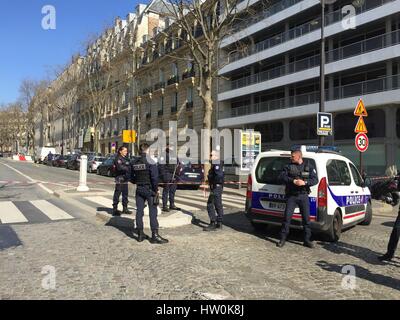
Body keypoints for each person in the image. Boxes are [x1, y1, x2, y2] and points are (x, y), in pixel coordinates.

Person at [277, 149, 318, 248]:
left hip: (303, 195)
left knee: (306, 219)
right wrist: (293, 181)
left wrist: (305, 183)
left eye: (293, 156)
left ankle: (307, 240)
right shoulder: (288, 166)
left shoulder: (308, 167)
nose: (291, 158)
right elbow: (281, 177)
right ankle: (282, 239)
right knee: (287, 218)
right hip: (292, 195)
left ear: (299, 157)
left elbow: (315, 179)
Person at [131, 143, 168, 244]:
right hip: (150, 189)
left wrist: (137, 182)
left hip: (139, 189)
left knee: (139, 211)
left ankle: (140, 234)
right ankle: (154, 236)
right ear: (147, 150)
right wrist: (156, 189)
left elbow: (130, 176)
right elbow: (154, 177)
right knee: (153, 212)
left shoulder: (134, 162)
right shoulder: (150, 161)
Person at [203, 150, 224, 231]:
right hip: (217, 187)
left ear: (217, 156)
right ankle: (219, 222)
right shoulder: (217, 163)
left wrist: (213, 182)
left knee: (210, 204)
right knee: (218, 204)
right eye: (210, 155)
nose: (210, 157)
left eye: (212, 155)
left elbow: (219, 176)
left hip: (216, 187)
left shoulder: (216, 164)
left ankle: (213, 223)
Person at [158, 144, 180, 212]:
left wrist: (177, 174)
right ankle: (165, 205)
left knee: (172, 191)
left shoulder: (174, 155)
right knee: (166, 191)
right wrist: (164, 175)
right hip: (167, 175)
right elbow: (161, 166)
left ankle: (172, 204)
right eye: (169, 146)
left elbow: (178, 164)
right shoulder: (163, 155)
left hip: (174, 175)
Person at [112, 146, 132, 216]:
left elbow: (129, 166)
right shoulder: (118, 158)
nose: (126, 152)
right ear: (120, 151)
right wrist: (128, 168)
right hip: (120, 178)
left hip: (125, 178)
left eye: (126, 151)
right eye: (124, 151)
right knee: (117, 194)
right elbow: (120, 168)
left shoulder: (125, 158)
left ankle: (125, 208)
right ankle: (115, 209)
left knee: (125, 194)